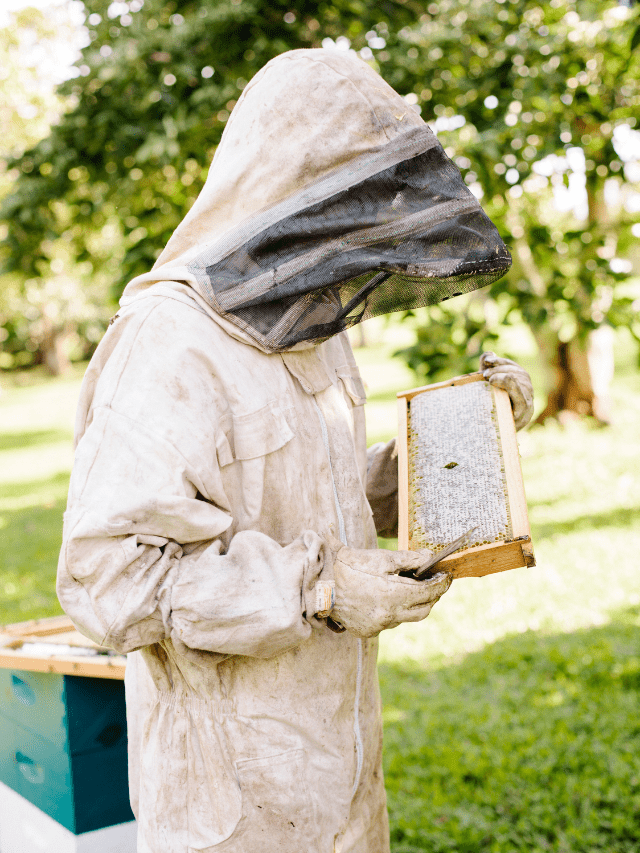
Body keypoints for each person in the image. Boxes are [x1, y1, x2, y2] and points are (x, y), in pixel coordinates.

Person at [57, 49, 533, 853]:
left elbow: (322, 488)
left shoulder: (314, 335)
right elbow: (108, 580)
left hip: (338, 764)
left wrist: (464, 434)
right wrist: (317, 586)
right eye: (352, 205)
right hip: (231, 805)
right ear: (291, 194)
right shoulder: (169, 347)